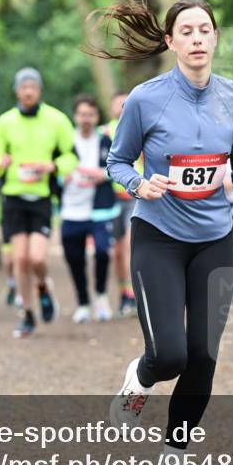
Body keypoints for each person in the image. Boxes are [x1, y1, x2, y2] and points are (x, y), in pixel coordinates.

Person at [89, 0, 233, 465]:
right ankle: (139, 380)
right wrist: (138, 184)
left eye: (204, 30)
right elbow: (116, 161)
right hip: (158, 236)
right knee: (170, 355)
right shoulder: (147, 99)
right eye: (185, 31)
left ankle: (175, 454)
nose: (196, 39)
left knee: (204, 355)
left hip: (216, 238)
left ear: (215, 37)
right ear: (170, 42)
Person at [0, 67, 78, 338]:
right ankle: (27, 314)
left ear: (39, 90)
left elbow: (71, 156)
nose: (28, 91)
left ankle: (44, 287)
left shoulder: (56, 120)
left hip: (41, 198)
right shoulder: (5, 122)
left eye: (32, 87)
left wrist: (52, 166)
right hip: (13, 198)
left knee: (37, 257)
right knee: (19, 259)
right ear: (16, 90)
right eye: (23, 87)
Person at [60, 94, 119, 323]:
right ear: (75, 116)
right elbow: (55, 168)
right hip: (71, 209)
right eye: (82, 114)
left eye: (91, 115)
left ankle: (101, 295)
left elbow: (118, 167)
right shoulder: (65, 142)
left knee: (103, 251)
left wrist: (101, 174)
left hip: (100, 208)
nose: (86, 119)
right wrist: (60, 178)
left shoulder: (106, 142)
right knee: (74, 257)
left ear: (96, 118)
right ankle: (83, 302)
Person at [104, 90, 139, 317]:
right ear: (111, 108)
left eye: (126, 104)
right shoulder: (103, 133)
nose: (122, 108)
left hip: (134, 197)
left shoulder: (141, 129)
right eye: (118, 105)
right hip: (109, 199)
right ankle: (124, 292)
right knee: (116, 252)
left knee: (129, 245)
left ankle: (134, 295)